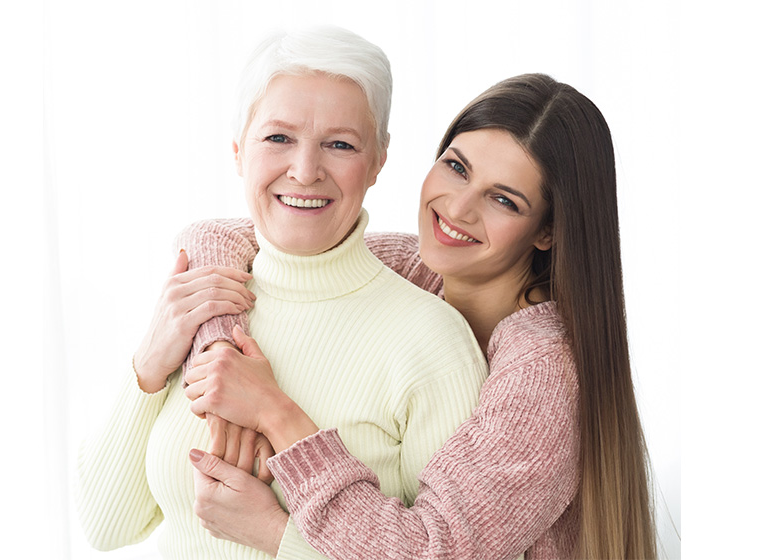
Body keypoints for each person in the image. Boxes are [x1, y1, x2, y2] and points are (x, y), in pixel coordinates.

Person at [182, 73, 658, 559]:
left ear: (548, 231)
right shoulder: (411, 268)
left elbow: (434, 550)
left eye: (503, 200)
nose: (457, 207)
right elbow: (216, 236)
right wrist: (219, 356)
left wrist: (273, 417)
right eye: (456, 167)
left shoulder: (544, 374)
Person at [75, 26, 489, 560]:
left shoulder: (431, 340)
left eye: (339, 144)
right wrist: (148, 367)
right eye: (278, 138)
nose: (304, 171)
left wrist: (277, 536)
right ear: (237, 150)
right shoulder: (203, 305)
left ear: (380, 161)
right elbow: (105, 527)